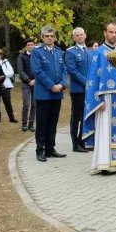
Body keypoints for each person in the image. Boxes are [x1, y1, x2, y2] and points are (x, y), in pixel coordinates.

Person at [83, 23, 116, 174]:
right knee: (105, 130)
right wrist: (96, 100)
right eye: (111, 32)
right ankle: (104, 163)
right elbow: (92, 79)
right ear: (105, 33)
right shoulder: (98, 53)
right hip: (105, 98)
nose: (114, 35)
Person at [30, 25, 67, 162]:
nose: (50, 38)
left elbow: (64, 70)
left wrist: (62, 84)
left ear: (55, 37)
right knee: (42, 123)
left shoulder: (59, 52)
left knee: (53, 123)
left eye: (52, 36)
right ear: (42, 37)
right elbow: (38, 71)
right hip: (44, 93)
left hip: (57, 92)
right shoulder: (37, 52)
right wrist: (51, 86)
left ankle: (50, 148)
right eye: (47, 36)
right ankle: (40, 150)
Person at [65, 28, 91, 152]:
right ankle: (75, 144)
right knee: (76, 117)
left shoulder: (89, 51)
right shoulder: (70, 52)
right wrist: (87, 82)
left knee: (85, 116)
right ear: (74, 38)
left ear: (85, 36)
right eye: (77, 35)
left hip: (89, 90)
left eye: (81, 34)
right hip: (78, 90)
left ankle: (82, 141)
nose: (80, 37)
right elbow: (72, 71)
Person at [15, 39, 36, 133]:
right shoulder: (21, 56)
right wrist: (28, 80)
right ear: (26, 46)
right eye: (29, 45)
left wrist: (36, 80)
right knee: (26, 103)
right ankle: (24, 124)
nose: (30, 46)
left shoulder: (37, 56)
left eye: (32, 44)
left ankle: (31, 124)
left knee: (34, 104)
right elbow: (20, 70)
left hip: (36, 83)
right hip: (26, 83)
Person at [0, 49, 17, 124]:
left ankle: (11, 118)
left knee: (7, 101)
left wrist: (3, 75)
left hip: (6, 85)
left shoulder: (5, 62)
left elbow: (11, 72)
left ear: (1, 55)